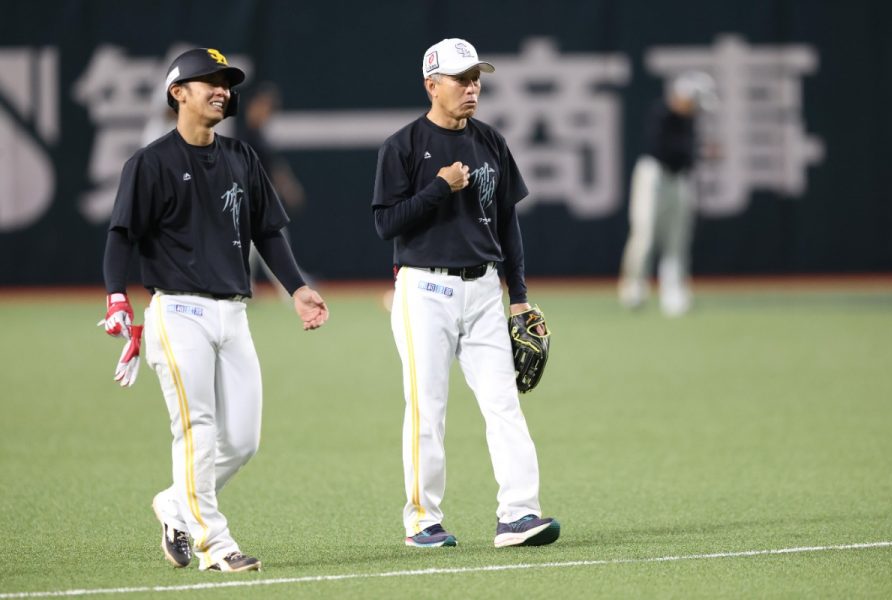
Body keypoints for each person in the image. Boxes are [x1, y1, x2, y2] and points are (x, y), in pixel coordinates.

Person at [100, 48, 329, 572]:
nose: (222, 90)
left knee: (243, 441)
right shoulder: (150, 162)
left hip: (233, 314)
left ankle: (175, 504)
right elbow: (121, 235)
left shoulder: (240, 157)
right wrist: (116, 295)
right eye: (209, 81)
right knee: (197, 429)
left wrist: (296, 288)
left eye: (226, 82)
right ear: (178, 93)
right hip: (177, 312)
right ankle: (215, 545)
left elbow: (268, 230)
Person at [371, 38, 560, 549]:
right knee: (427, 408)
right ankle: (422, 521)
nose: (472, 87)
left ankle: (519, 515)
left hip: (483, 291)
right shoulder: (403, 146)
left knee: (504, 404)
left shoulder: (491, 142)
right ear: (432, 85)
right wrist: (439, 187)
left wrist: (518, 296)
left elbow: (508, 223)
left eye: (476, 78)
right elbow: (386, 224)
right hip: (424, 289)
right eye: (461, 79)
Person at [618, 71, 718, 316]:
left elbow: (685, 156)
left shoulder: (689, 120)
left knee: (678, 238)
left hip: (679, 179)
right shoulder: (662, 114)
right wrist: (699, 152)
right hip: (654, 176)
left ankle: (674, 292)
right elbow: (666, 150)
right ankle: (634, 288)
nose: (696, 109)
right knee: (645, 233)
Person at [233, 82, 308, 298]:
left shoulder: (259, 135)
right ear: (253, 105)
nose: (267, 112)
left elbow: (274, 167)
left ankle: (249, 287)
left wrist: (286, 186)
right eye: (264, 106)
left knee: (257, 248)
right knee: (264, 245)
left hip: (261, 202)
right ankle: (292, 288)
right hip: (248, 202)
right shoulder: (242, 136)